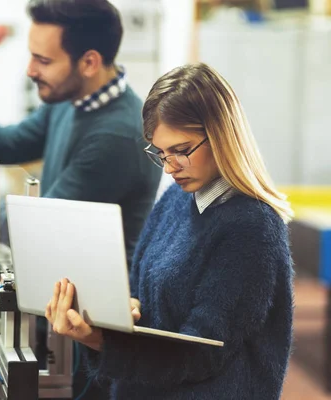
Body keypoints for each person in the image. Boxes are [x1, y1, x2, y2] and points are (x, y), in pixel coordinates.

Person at [0, 1, 161, 398]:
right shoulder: (71, 101)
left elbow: (33, 234)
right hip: (63, 307)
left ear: (89, 62)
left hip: (93, 329)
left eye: (43, 59)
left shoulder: (116, 136)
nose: (30, 70)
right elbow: (7, 142)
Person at [45, 62, 294, 400]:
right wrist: (122, 309)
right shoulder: (177, 198)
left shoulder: (251, 228)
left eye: (181, 150)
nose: (170, 167)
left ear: (222, 135)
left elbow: (200, 354)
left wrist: (99, 340)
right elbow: (142, 292)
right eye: (161, 153)